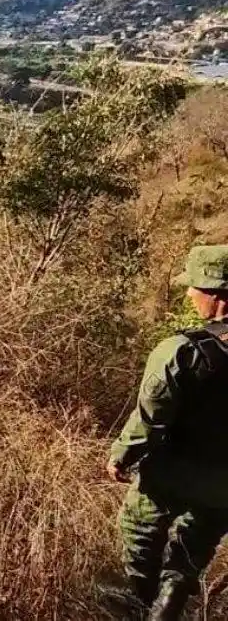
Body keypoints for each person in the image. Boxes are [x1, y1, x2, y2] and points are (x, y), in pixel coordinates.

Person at [105, 245, 228, 620]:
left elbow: (150, 421)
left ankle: (140, 597)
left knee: (140, 525)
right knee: (199, 536)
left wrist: (121, 455)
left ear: (218, 295)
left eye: (195, 288)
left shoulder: (181, 351)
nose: (190, 295)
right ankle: (173, 593)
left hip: (174, 470)